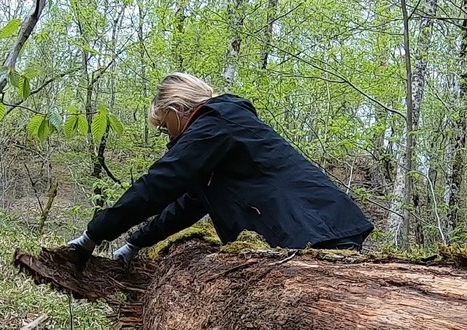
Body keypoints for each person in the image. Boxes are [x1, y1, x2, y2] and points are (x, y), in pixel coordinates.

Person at [66, 73, 374, 263]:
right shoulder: (219, 133)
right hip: (311, 229)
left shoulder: (214, 123)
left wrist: (94, 234)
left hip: (316, 231)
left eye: (164, 126)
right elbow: (188, 203)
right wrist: (137, 242)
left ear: (175, 112)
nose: (167, 134)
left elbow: (159, 184)